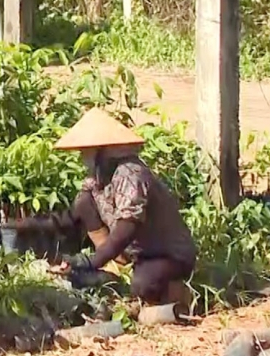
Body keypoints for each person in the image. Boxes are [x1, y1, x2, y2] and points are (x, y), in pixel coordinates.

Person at [11, 108, 197, 310]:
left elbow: (128, 227)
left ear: (103, 152)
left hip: (165, 254)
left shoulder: (130, 174)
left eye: (87, 153)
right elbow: (71, 217)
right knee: (84, 202)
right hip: (134, 253)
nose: (84, 158)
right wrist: (22, 225)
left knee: (143, 285)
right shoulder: (97, 180)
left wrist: (92, 262)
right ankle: (115, 268)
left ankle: (178, 295)